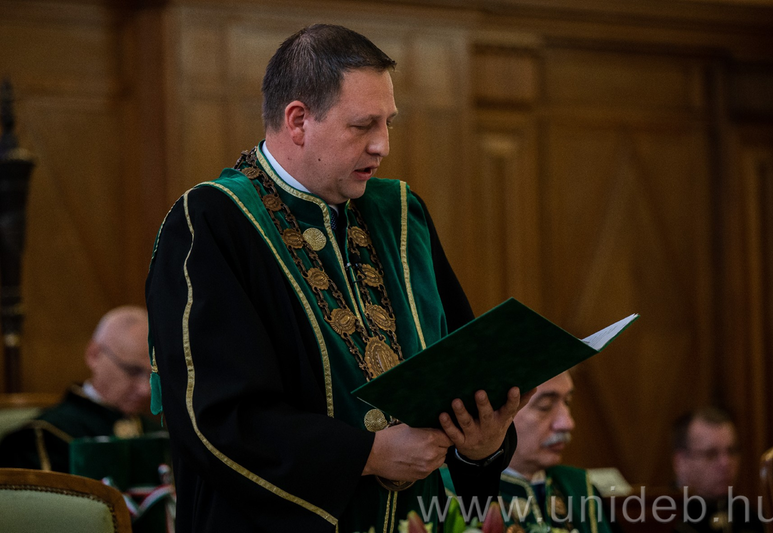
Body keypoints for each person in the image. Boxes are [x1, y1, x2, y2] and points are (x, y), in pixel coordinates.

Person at [145, 23, 531, 533]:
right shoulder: (213, 221)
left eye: (388, 123)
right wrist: (367, 454)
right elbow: (214, 418)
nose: (382, 145)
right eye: (363, 125)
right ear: (298, 121)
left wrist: (481, 446)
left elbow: (462, 368)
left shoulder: (401, 215)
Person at [0, 305, 157, 472]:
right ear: (94, 354)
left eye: (153, 375)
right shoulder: (40, 438)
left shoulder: (155, 432)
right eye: (133, 371)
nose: (146, 390)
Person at [499, 371, 615, 532]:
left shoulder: (578, 487)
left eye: (567, 402)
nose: (567, 423)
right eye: (545, 406)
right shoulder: (464, 495)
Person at [671, 407, 763, 533]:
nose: (725, 463)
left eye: (732, 451)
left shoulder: (749, 518)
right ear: (680, 462)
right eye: (711, 454)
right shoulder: (663, 519)